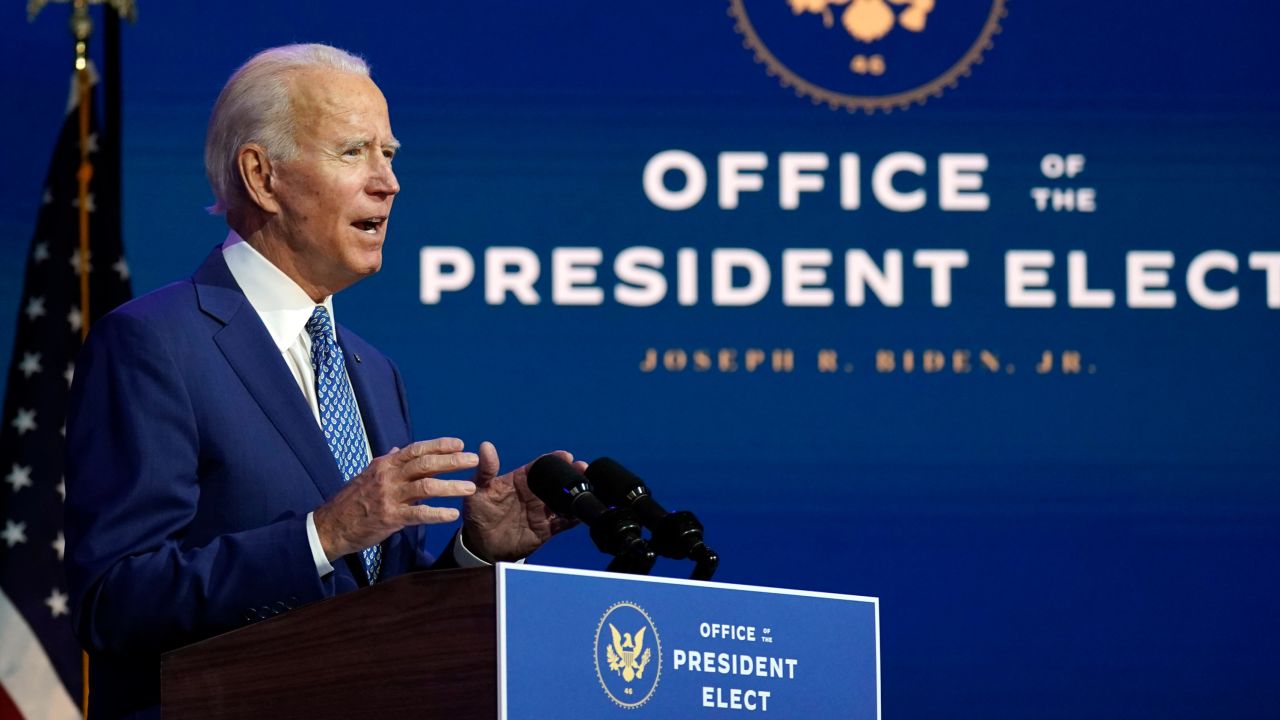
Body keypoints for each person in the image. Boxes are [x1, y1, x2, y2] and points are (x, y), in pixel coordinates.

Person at [64, 44, 577, 720]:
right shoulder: (156, 342)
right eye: (353, 152)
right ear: (262, 176)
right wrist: (320, 536)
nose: (388, 182)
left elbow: (380, 623)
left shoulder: (372, 369)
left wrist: (477, 554)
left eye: (390, 155)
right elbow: (114, 601)